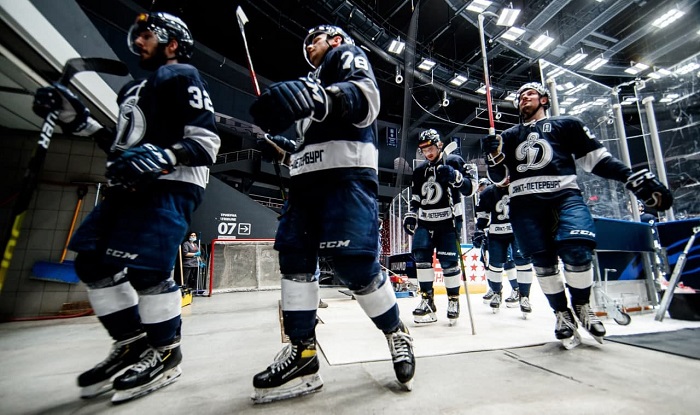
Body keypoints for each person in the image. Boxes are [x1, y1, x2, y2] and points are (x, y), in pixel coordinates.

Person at [32, 12, 220, 402]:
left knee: (147, 271)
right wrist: (76, 118)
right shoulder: (132, 90)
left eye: (148, 35)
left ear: (172, 43)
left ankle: (166, 353)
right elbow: (119, 144)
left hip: (169, 185)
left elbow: (206, 143)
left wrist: (165, 154)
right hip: (126, 187)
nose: (138, 42)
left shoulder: (182, 75)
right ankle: (132, 343)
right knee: (93, 263)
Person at [249, 25, 415, 402]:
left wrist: (320, 95)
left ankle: (396, 332)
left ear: (336, 40)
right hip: (305, 183)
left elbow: (366, 99)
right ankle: (303, 352)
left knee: (354, 266)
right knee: (294, 260)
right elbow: (314, 137)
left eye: (315, 39)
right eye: (305, 42)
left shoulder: (345, 56)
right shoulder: (312, 82)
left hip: (346, 177)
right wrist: (284, 147)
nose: (309, 46)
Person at [481, 81, 672, 349]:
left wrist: (627, 176)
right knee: (543, 263)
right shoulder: (509, 136)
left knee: (578, 250)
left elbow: (596, 159)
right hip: (525, 205)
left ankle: (582, 305)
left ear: (544, 100)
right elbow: (499, 180)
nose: (525, 97)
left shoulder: (566, 124)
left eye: (531, 93)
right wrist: (494, 155)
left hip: (564, 196)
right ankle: (562, 313)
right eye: (521, 95)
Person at [402, 129, 476, 325]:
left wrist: (455, 177)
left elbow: (471, 189)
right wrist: (411, 214)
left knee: (449, 263)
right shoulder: (419, 172)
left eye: (431, 148)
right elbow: (416, 198)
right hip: (425, 222)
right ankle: (427, 301)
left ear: (439, 145)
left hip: (449, 222)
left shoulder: (454, 161)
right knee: (421, 259)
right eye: (424, 150)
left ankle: (453, 300)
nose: (428, 153)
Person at [474, 178, 534, 318]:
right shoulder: (487, 193)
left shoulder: (519, 187)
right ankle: (496, 293)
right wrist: (479, 229)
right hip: (496, 234)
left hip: (517, 232)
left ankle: (524, 296)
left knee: (522, 261)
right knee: (494, 264)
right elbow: (483, 214)